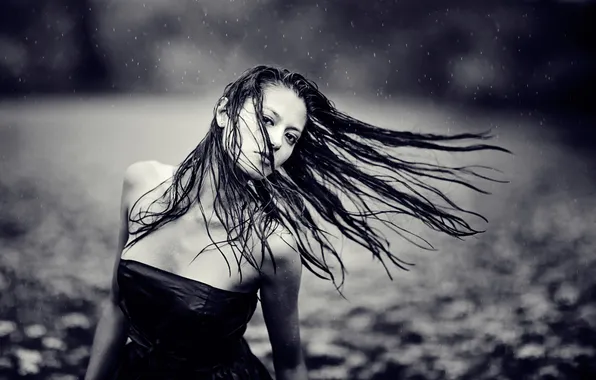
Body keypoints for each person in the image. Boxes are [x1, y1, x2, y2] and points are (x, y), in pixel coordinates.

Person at [83, 65, 509, 380]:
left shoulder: (273, 246)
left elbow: (291, 366)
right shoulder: (141, 183)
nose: (275, 142)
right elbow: (116, 305)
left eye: (291, 136)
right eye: (267, 120)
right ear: (223, 112)